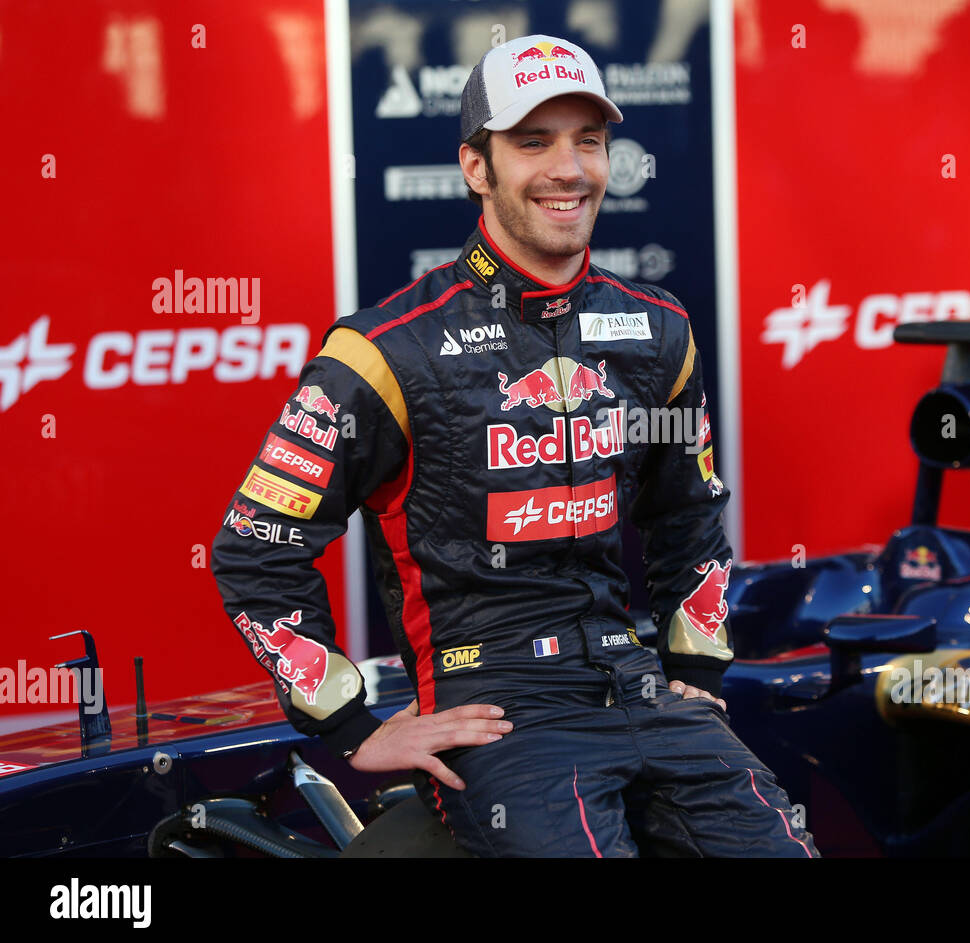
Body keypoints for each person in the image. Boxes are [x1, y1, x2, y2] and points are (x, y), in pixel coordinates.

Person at [211, 33, 817, 858]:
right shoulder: (384, 351)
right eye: (533, 142)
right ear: (475, 167)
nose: (568, 169)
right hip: (496, 707)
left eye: (588, 141)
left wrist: (697, 674)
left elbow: (689, 515)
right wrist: (351, 728)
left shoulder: (657, 329)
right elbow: (255, 550)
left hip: (639, 688)